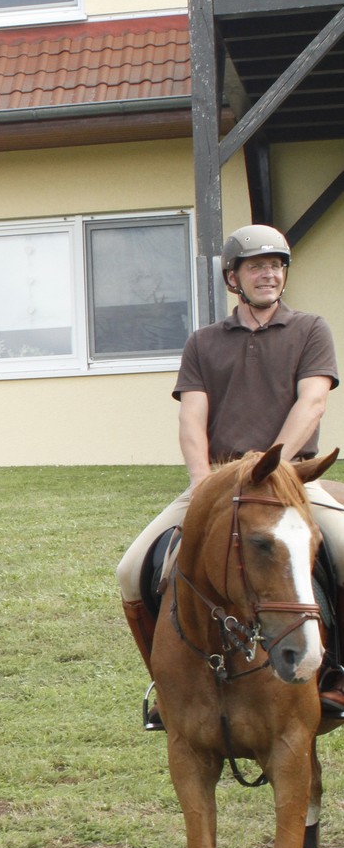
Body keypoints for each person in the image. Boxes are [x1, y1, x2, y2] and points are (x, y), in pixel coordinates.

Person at [118, 224, 344, 724]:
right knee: (131, 570)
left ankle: (338, 677)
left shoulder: (311, 330)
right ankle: (167, 688)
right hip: (219, 481)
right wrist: (202, 483)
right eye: (257, 266)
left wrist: (274, 468)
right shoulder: (203, 342)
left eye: (277, 265)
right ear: (233, 278)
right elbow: (191, 418)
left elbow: (313, 403)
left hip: (291, 479)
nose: (269, 274)